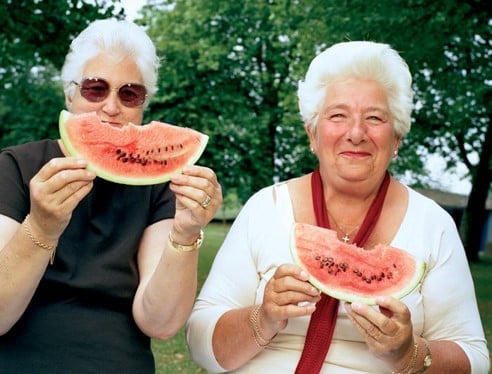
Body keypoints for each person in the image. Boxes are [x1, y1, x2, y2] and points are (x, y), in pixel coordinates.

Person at [186, 41, 490, 373]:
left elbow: (475, 359)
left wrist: (410, 353)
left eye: (374, 117)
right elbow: (201, 344)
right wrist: (263, 317)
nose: (356, 133)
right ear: (312, 135)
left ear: (397, 140)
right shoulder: (265, 207)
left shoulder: (434, 224)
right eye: (338, 116)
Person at [0, 19, 222, 373]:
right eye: (95, 89)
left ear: (143, 105)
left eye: (129, 93)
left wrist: (185, 233)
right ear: (69, 93)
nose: (111, 107)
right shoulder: (15, 167)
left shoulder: (160, 186)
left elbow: (161, 324)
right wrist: (41, 228)